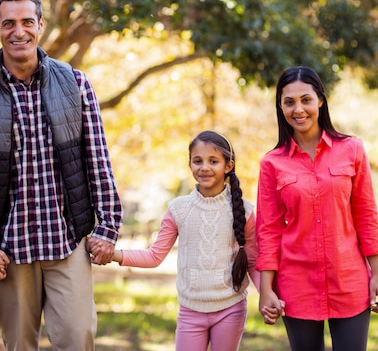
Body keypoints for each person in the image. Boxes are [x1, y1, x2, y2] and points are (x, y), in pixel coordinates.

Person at [0, 0, 123, 351]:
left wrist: (108, 227)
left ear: (40, 25)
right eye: (8, 24)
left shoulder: (75, 84)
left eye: (27, 22)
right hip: (8, 249)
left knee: (79, 340)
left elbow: (98, 161)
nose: (19, 31)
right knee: (19, 346)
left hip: (67, 239)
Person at [255, 66, 378, 351]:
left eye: (306, 99)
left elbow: (366, 215)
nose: (298, 109)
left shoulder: (352, 149)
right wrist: (266, 289)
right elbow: (268, 231)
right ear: (280, 107)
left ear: (320, 101)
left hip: (349, 281)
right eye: (289, 102)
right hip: (296, 285)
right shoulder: (271, 163)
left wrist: (377, 275)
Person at [90, 131, 260, 351]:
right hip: (191, 312)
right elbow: (154, 256)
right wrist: (114, 254)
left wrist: (268, 296)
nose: (204, 167)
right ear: (190, 165)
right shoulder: (179, 209)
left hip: (231, 309)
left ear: (228, 166)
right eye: (197, 161)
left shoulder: (245, 211)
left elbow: (254, 261)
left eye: (213, 161)